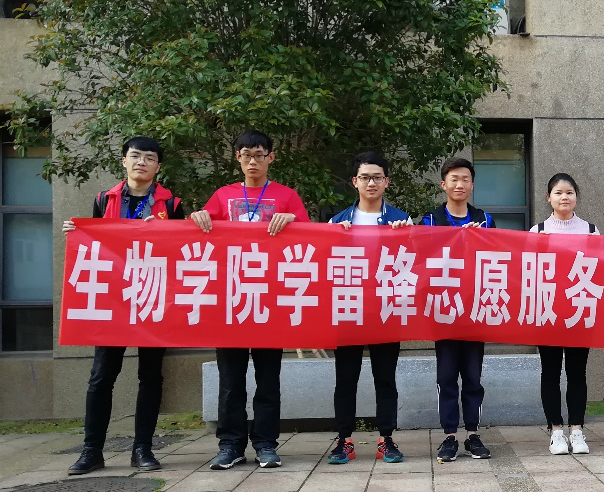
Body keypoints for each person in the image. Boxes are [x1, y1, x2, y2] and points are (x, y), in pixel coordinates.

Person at [189, 129, 310, 470]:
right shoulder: (223, 196)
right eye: (246, 155)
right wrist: (197, 217)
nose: (252, 161)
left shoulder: (287, 196)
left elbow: (311, 238)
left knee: (268, 379)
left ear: (271, 157)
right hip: (230, 300)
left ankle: (266, 443)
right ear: (237, 159)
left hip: (270, 300)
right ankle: (230, 444)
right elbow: (200, 231)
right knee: (230, 380)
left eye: (259, 154)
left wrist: (295, 221)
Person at [64, 137, 185, 475]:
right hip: (113, 299)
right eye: (135, 156)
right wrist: (76, 231)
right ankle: (91, 450)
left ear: (158, 166)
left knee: (150, 375)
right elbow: (94, 243)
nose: (141, 162)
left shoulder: (171, 204)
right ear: (124, 161)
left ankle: (142, 448)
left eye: (149, 158)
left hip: (152, 296)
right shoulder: (105, 199)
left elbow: (182, 248)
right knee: (101, 375)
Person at [327, 151, 413, 464]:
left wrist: (405, 237)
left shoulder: (400, 220)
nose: (371, 183)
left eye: (377, 177)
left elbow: (413, 263)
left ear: (387, 181)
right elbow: (326, 266)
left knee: (385, 378)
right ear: (355, 181)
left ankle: (386, 439)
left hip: (385, 309)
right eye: (365, 177)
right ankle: (344, 440)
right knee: (345, 379)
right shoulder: (338, 222)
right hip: (349, 308)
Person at [421, 157, 495, 464]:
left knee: (474, 377)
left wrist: (479, 239)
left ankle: (473, 434)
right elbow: (421, 256)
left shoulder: (485, 220)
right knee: (447, 376)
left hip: (475, 309)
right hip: (444, 311)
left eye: (465, 179)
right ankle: (449, 435)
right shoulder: (430, 219)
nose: (459, 184)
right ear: (444, 184)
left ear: (472, 185)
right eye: (454, 179)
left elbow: (497, 259)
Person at [531, 173, 599, 456]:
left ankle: (577, 430)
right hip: (548, 310)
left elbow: (599, 268)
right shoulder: (538, 231)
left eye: (569, 192)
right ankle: (556, 430)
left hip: (579, 310)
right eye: (558, 193)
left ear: (576, 197)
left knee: (577, 372)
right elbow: (528, 272)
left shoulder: (590, 230)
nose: (564, 197)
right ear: (549, 198)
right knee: (550, 372)